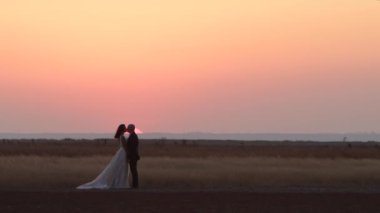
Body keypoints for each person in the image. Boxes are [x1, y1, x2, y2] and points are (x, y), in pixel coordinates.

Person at [76, 124, 129, 189]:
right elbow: (125, 147)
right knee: (121, 167)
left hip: (121, 152)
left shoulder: (121, 136)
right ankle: (119, 183)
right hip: (123, 152)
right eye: (124, 128)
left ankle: (119, 182)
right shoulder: (122, 136)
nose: (125, 128)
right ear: (122, 129)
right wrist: (128, 153)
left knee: (120, 167)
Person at [124, 123, 140, 188]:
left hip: (133, 156)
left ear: (131, 129)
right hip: (134, 156)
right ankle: (135, 185)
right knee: (133, 170)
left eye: (128, 128)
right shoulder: (133, 135)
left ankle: (135, 185)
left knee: (133, 170)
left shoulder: (133, 136)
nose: (127, 129)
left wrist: (129, 156)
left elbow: (132, 148)